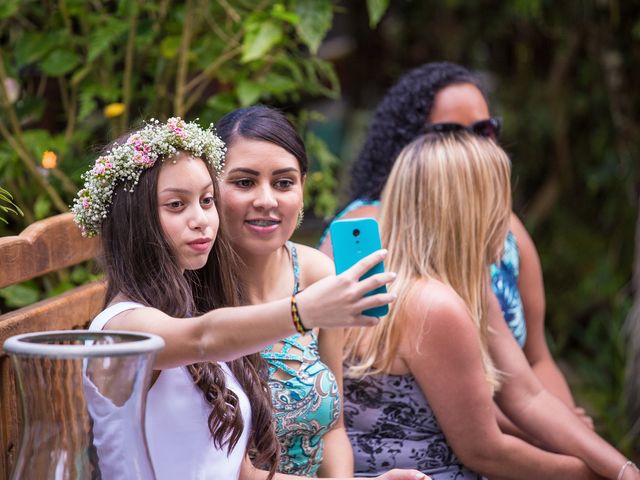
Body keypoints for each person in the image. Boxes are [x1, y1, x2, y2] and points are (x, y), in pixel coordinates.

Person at [72, 117, 428, 480]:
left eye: (206, 200)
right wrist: (303, 310)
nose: (201, 219)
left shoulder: (183, 312)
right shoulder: (122, 328)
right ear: (134, 219)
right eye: (176, 205)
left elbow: (245, 474)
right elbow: (203, 338)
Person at [342, 131, 638, 480]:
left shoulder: (467, 288)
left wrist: (621, 468)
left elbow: (528, 395)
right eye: (500, 198)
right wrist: (589, 475)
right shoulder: (433, 305)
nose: (509, 217)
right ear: (468, 211)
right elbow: (485, 451)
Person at [318, 61, 592, 431]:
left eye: (484, 129)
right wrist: (547, 435)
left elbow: (537, 359)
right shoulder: (365, 232)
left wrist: (568, 424)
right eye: (450, 131)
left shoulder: (508, 230)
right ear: (408, 142)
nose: (472, 145)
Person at [216, 105, 353, 477]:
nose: (267, 200)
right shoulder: (191, 294)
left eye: (283, 182)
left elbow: (334, 429)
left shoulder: (316, 275)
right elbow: (235, 471)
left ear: (303, 190)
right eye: (244, 182)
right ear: (210, 189)